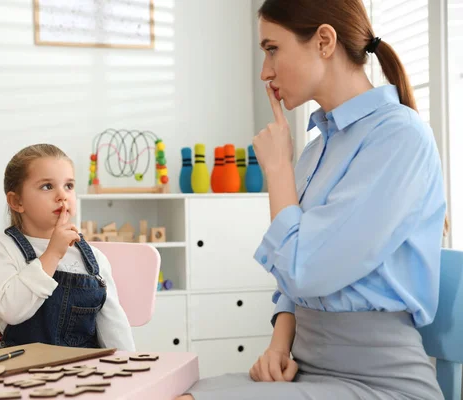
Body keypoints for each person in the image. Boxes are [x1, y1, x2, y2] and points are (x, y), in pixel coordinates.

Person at [178, 0, 447, 399]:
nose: (265, 72)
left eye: (272, 49)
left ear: (323, 41)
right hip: (304, 368)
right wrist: (279, 344)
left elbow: (306, 269)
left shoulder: (400, 138)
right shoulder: (318, 148)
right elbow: (294, 282)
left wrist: (278, 171)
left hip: (382, 383)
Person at [0, 143, 135, 351]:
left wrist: (126, 366)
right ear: (17, 201)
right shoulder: (2, 248)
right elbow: (11, 310)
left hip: (82, 370)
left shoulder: (95, 259)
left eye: (69, 186)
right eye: (47, 186)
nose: (62, 195)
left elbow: (113, 326)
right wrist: (53, 253)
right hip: (21, 370)